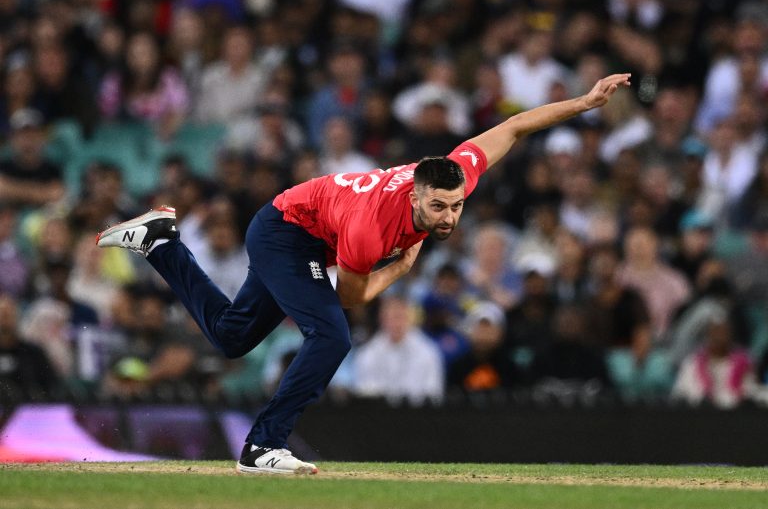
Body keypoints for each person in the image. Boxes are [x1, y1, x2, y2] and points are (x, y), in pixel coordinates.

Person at [96, 73, 631, 474]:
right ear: (415, 194)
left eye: (456, 206)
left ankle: (161, 243)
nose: (449, 218)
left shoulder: (454, 174)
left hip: (307, 230)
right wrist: (398, 268)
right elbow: (351, 297)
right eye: (438, 207)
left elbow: (514, 126)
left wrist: (584, 103)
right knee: (332, 337)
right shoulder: (372, 230)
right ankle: (263, 445)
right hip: (286, 233)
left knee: (233, 337)